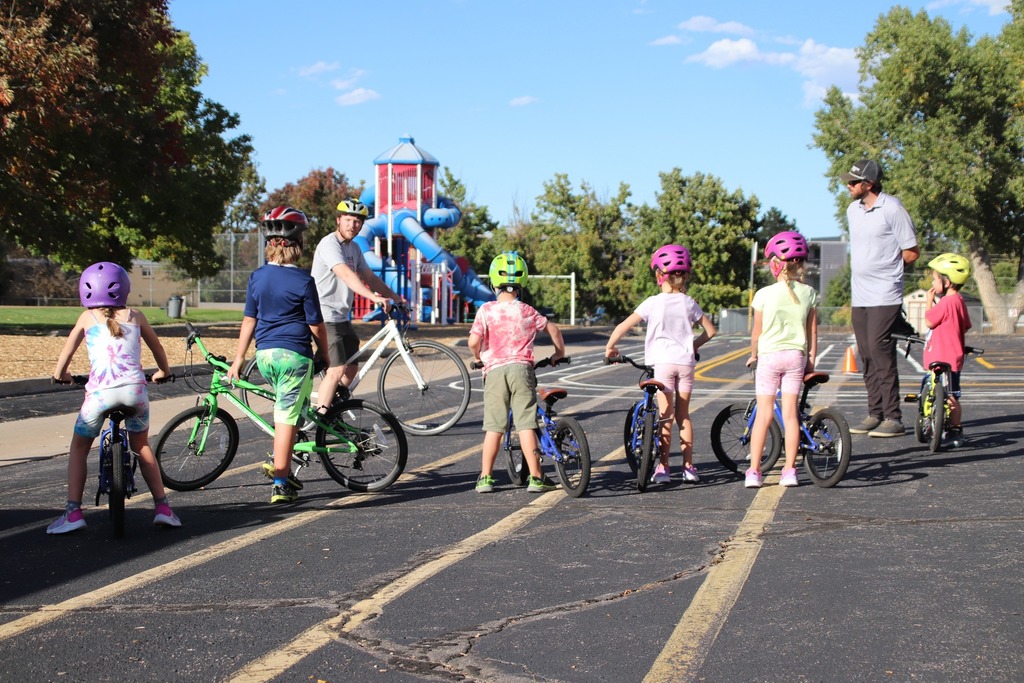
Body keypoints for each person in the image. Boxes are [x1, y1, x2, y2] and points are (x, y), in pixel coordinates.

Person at [47, 262, 180, 533]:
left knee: (80, 447)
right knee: (141, 446)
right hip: (135, 392)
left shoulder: (86, 319)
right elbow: (158, 349)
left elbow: (67, 354)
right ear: (125, 289)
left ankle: (73, 513)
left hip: (100, 395)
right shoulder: (136, 316)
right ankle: (163, 508)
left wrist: (61, 374)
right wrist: (163, 372)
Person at [226, 206, 329, 504]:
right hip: (294, 356)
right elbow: (315, 326)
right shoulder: (304, 282)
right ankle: (280, 482)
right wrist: (325, 354)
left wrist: (238, 359)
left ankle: (283, 461)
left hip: (266, 356)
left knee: (290, 412)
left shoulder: (257, 278)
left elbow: (249, 320)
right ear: (298, 245)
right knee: (286, 418)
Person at [604, 244, 717, 485]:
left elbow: (622, 326)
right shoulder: (689, 303)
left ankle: (664, 468)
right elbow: (711, 330)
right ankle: (689, 467)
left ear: (659, 275)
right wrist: (694, 346)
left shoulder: (652, 303)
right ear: (685, 276)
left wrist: (610, 348)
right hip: (686, 364)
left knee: (665, 416)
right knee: (683, 416)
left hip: (663, 364)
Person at [469, 252, 565, 493]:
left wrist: (477, 357)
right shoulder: (527, 310)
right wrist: (558, 353)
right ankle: (535, 477)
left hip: (494, 372)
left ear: (493, 282)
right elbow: (553, 330)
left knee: (494, 427)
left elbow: (473, 340)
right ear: (521, 283)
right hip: (522, 369)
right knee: (525, 424)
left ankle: (485, 478)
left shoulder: (486, 310)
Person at [842, 158, 920, 437]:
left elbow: (911, 251)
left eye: (853, 182)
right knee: (865, 354)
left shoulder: (893, 208)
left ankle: (893, 418)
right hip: (859, 294)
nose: (848, 186)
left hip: (885, 293)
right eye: (848, 181)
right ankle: (874, 413)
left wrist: (891, 271)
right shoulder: (853, 210)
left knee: (880, 350)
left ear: (869, 184)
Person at [311, 199, 405, 411]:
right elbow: (345, 274)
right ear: (338, 220)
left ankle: (333, 405)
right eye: (348, 220)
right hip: (325, 315)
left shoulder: (354, 248)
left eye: (357, 221)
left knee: (351, 367)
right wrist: (374, 298)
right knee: (336, 369)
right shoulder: (329, 244)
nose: (352, 225)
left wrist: (395, 297)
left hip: (342, 317)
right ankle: (324, 417)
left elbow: (369, 276)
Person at [744, 232, 819, 488]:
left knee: (764, 414)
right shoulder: (809, 293)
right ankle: (789, 471)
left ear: (775, 264)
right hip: (795, 357)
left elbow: (757, 332)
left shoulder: (764, 294)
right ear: (801, 264)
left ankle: (754, 471)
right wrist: (810, 360)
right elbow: (812, 332)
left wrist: (753, 354)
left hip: (769, 357)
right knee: (790, 416)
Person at [923, 253, 973, 447]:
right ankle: (955, 429)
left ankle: (931, 422)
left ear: (947, 281)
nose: (933, 283)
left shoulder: (945, 302)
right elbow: (965, 325)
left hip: (940, 357)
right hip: (954, 358)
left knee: (933, 390)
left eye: (935, 279)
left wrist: (929, 301)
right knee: (952, 395)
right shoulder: (959, 301)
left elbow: (929, 320)